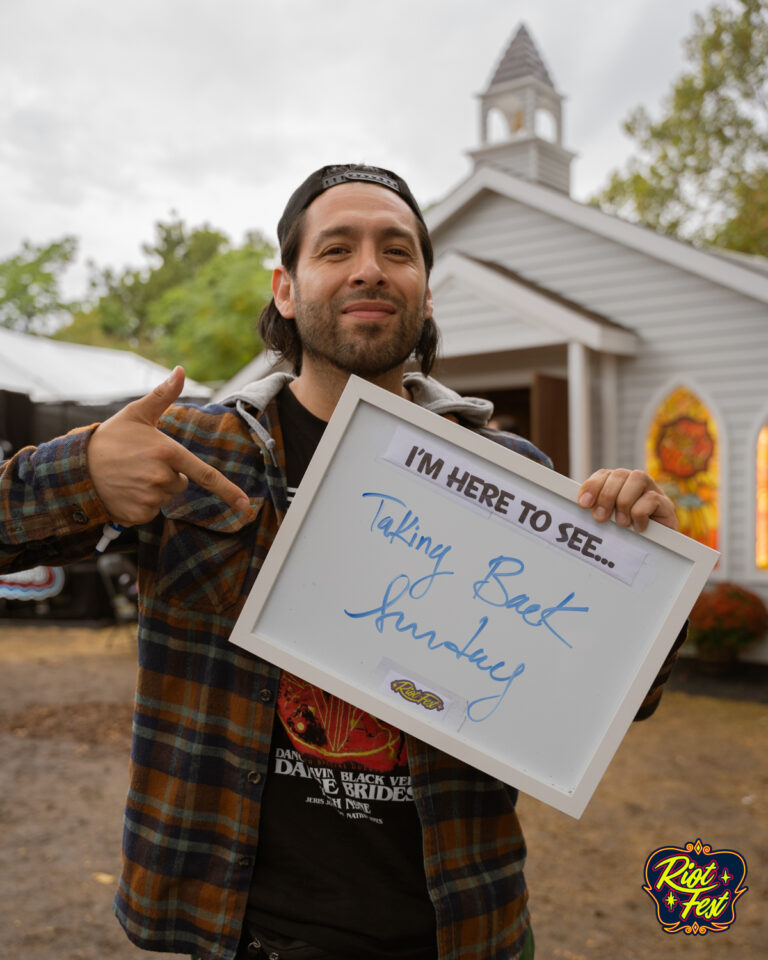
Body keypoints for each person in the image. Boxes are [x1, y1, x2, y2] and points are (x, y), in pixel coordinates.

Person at [0, 164, 682, 960]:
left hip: (459, 929)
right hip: (243, 935)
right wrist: (82, 470)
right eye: (337, 248)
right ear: (286, 288)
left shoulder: (512, 477)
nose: (369, 266)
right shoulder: (191, 452)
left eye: (398, 249)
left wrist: (647, 572)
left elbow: (621, 699)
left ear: (426, 294)